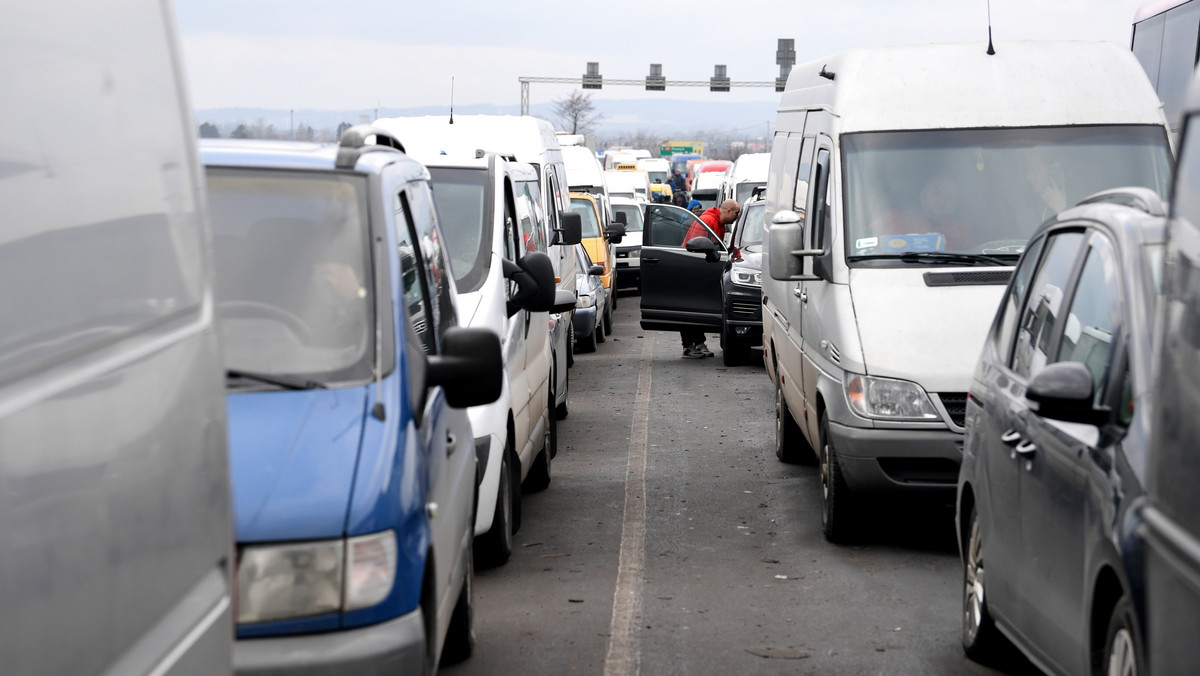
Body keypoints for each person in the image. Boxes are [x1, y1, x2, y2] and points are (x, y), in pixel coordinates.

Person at [679, 199, 740, 359]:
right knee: (689, 308)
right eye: (736, 213)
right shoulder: (708, 221)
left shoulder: (717, 222)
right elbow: (696, 250)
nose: (737, 216)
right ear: (728, 211)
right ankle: (688, 346)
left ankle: (699, 342)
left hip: (700, 271)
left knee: (698, 307)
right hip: (691, 271)